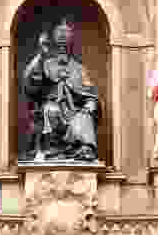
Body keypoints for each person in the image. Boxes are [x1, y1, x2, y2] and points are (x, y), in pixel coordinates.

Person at [22, 17, 101, 162]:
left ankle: (85, 150)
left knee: (84, 117)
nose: (63, 36)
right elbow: (32, 82)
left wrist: (91, 103)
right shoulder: (46, 63)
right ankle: (50, 150)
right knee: (52, 110)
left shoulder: (79, 68)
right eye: (59, 32)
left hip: (73, 109)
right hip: (51, 104)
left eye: (66, 33)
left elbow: (89, 92)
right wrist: (41, 54)